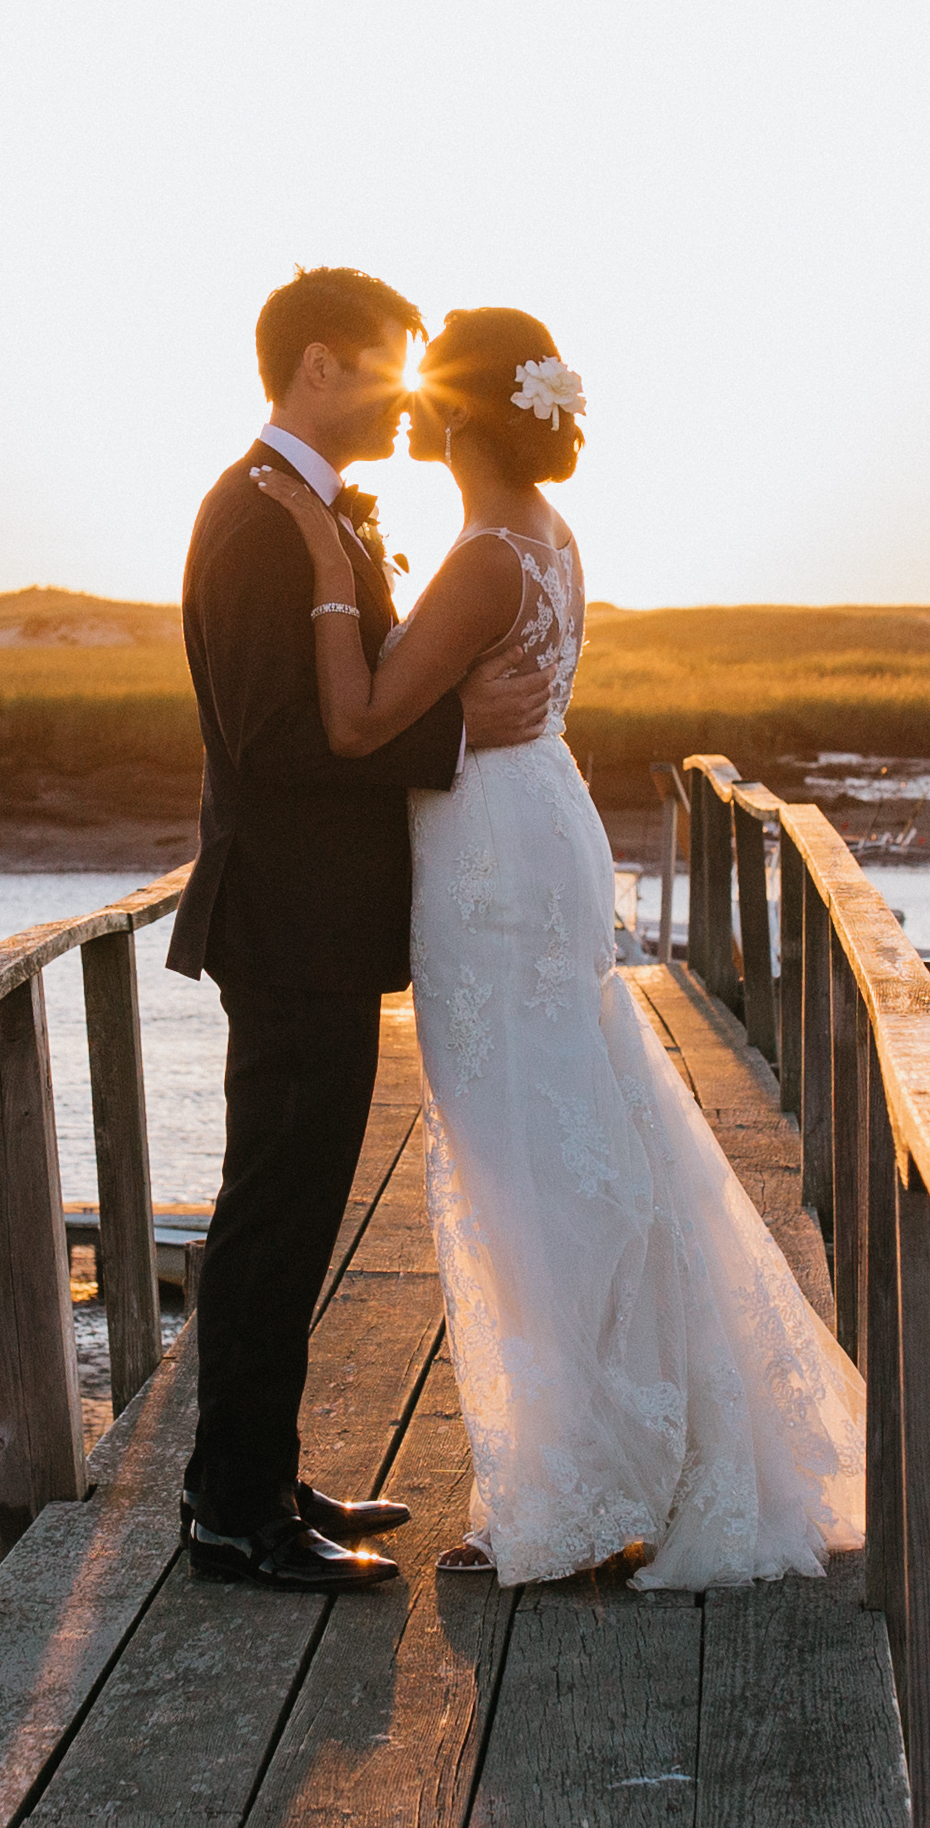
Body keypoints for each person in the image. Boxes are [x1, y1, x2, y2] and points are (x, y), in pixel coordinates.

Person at [251, 307, 866, 1586]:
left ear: (465, 407)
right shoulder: (548, 531)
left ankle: (576, 1486)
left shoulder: (483, 552)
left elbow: (361, 723)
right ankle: (612, 1455)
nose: (407, 402)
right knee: (571, 1133)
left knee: (524, 1163)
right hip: (533, 826)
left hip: (491, 868)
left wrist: (320, 560)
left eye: (427, 384)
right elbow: (462, 702)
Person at [165, 265, 537, 1591]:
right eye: (387, 365)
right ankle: (235, 1516)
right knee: (274, 1209)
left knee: (295, 1204)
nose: (407, 394)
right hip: (287, 925)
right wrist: (448, 732)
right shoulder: (257, 521)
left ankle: (257, 1473)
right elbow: (276, 738)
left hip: (314, 925)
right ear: (319, 366)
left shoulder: (300, 508)